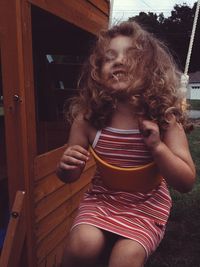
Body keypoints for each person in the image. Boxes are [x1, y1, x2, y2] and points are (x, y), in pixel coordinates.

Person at [57, 21, 196, 267]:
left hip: (146, 204)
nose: (118, 61)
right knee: (82, 245)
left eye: (131, 56)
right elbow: (70, 176)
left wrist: (157, 148)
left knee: (125, 258)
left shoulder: (163, 119)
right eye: (109, 58)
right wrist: (66, 165)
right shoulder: (88, 118)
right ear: (98, 72)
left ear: (151, 69)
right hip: (103, 199)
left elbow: (186, 182)